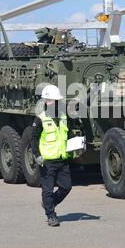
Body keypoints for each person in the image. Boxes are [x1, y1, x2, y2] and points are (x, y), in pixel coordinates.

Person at [31, 85, 80, 227]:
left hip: (62, 159)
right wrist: (37, 155)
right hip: (47, 161)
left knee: (67, 187)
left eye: (56, 100)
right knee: (47, 189)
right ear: (46, 101)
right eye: (52, 100)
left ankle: (49, 203)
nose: (55, 102)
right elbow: (33, 138)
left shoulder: (64, 116)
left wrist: (75, 147)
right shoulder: (40, 119)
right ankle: (51, 215)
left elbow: (68, 134)